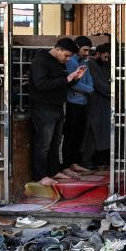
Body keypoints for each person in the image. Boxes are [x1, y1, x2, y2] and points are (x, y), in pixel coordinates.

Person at [29, 38, 87, 184]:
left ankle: (53, 171)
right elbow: (41, 84)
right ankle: (40, 176)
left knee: (55, 143)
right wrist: (66, 80)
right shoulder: (40, 61)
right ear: (58, 49)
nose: (67, 59)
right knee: (44, 143)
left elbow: (61, 85)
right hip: (43, 107)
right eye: (66, 55)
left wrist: (74, 79)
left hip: (56, 106)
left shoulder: (57, 63)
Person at [61, 36, 95, 177]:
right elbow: (73, 83)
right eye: (84, 49)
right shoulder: (70, 61)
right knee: (70, 135)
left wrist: (88, 88)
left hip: (82, 102)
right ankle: (66, 165)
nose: (87, 53)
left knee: (78, 135)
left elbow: (88, 82)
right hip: (72, 103)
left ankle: (74, 163)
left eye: (88, 50)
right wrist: (89, 89)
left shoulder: (83, 62)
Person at [82, 42, 111, 168]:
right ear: (98, 54)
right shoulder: (90, 64)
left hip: (104, 103)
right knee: (93, 133)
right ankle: (86, 160)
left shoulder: (103, 64)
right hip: (95, 103)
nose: (107, 60)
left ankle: (97, 159)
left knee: (101, 133)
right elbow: (98, 84)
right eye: (105, 57)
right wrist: (114, 92)